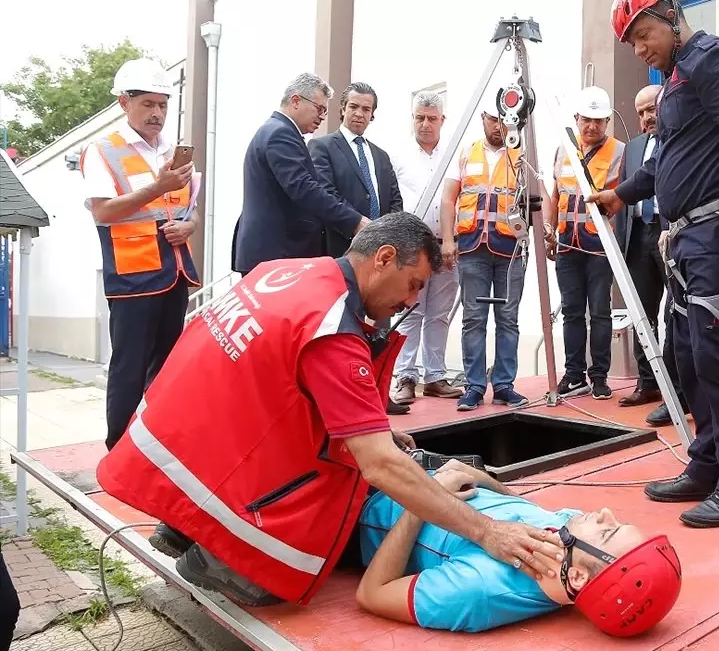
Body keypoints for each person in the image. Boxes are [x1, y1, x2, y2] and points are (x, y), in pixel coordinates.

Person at [96, 213, 564, 608]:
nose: (411, 301)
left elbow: (276, 379)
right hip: (215, 461)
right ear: (383, 259)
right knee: (280, 570)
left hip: (172, 437)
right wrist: (487, 532)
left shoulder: (289, 271)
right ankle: (222, 558)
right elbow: (379, 466)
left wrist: (362, 422)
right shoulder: (335, 331)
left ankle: (181, 523)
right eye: (413, 284)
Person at [592, 0, 719, 528]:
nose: (642, 49)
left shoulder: (714, 58)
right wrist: (617, 195)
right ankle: (707, 465)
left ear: (673, 15)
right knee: (692, 361)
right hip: (687, 242)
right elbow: (663, 163)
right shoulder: (676, 82)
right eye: (633, 44)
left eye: (645, 34)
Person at [356, 458, 682, 636]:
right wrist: (482, 479)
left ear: (579, 578)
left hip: (364, 500)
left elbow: (372, 593)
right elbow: (522, 509)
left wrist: (425, 498)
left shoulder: (479, 590)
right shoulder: (567, 534)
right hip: (413, 473)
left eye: (607, 532)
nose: (606, 514)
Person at [79, 58, 199, 450]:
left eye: (163, 104)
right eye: (147, 104)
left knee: (167, 370)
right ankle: (119, 450)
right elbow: (103, 211)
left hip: (175, 272)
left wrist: (190, 226)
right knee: (129, 369)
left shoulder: (172, 151)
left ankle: (157, 446)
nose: (157, 113)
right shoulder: (102, 151)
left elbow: (188, 207)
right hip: (133, 279)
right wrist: (156, 187)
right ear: (123, 103)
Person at [232, 73, 370, 276]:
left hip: (275, 253)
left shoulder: (278, 130)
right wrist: (355, 221)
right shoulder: (281, 134)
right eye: (319, 108)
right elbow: (304, 189)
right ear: (296, 100)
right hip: (276, 255)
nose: (322, 116)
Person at [439, 105, 529, 412]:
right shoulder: (465, 154)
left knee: (508, 319)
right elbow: (449, 198)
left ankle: (504, 384)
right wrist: (448, 240)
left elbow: (537, 199)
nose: (499, 125)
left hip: (511, 251)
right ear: (483, 119)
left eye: (504, 119)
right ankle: (474, 385)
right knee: (473, 318)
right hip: (472, 247)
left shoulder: (522, 157)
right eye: (493, 118)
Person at [613, 85, 689, 427]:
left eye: (652, 109)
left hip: (672, 234)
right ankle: (648, 383)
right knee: (642, 315)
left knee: (678, 313)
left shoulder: (682, 139)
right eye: (641, 112)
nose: (647, 117)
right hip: (638, 237)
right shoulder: (631, 149)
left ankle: (678, 389)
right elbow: (625, 194)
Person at [545, 86, 625, 400]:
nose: (592, 126)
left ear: (607, 122)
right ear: (577, 118)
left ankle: (599, 376)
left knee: (601, 312)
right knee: (572, 312)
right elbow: (556, 194)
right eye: (587, 120)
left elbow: (621, 199)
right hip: (567, 244)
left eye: (599, 121)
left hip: (599, 246)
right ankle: (574, 374)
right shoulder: (563, 149)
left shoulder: (619, 151)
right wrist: (550, 229)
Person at [390, 91, 464, 408]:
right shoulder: (398, 156)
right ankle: (405, 376)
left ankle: (434, 376)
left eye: (432, 118)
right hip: (411, 246)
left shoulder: (455, 154)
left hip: (447, 243)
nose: (425, 124)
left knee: (440, 314)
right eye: (419, 117)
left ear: (442, 120)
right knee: (410, 311)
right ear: (412, 118)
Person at [309, 82, 404, 258]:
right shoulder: (322, 147)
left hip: (380, 249)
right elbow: (326, 194)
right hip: (341, 246)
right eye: (353, 106)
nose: (359, 114)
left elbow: (395, 200)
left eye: (366, 109)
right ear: (343, 108)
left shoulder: (381, 155)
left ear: (372, 115)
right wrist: (358, 224)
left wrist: (386, 233)